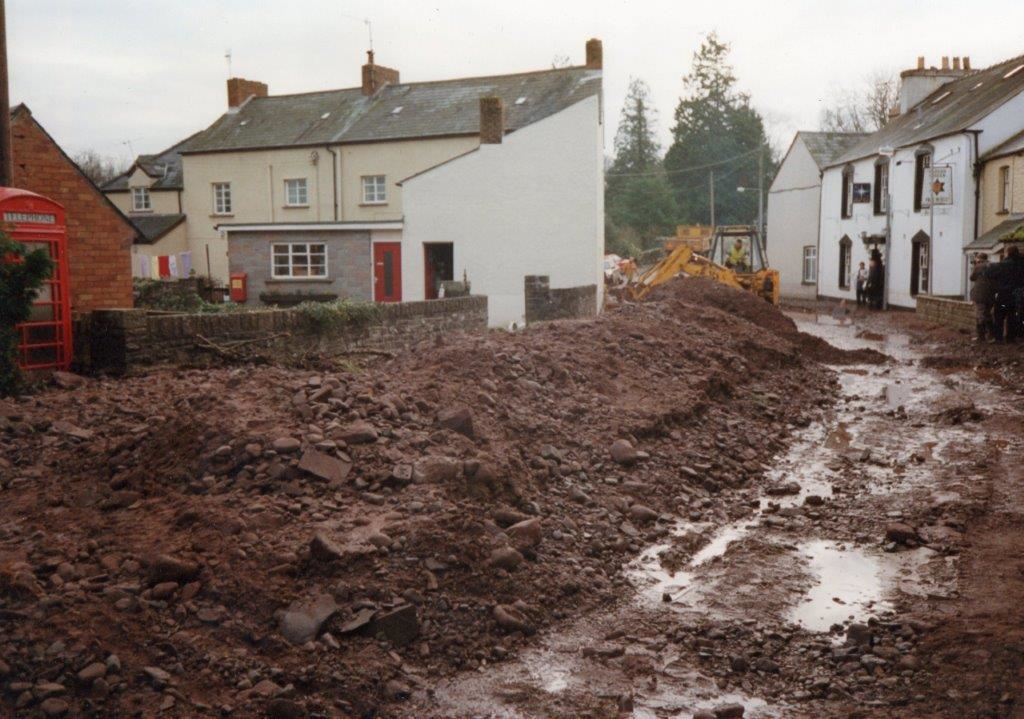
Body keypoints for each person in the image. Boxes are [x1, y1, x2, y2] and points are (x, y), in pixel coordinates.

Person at [991, 244, 1024, 342]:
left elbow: (992, 274)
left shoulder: (1003, 264)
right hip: (1016, 294)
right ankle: (1011, 337)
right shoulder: (1021, 264)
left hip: (1003, 293)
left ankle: (998, 338)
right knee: (1012, 316)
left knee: (999, 316)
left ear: (1007, 253)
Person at [969, 253, 994, 342]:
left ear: (979, 258)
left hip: (980, 294)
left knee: (980, 315)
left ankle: (981, 336)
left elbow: (972, 278)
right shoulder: (993, 266)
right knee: (988, 314)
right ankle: (991, 335)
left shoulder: (978, 266)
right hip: (990, 294)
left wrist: (976, 265)